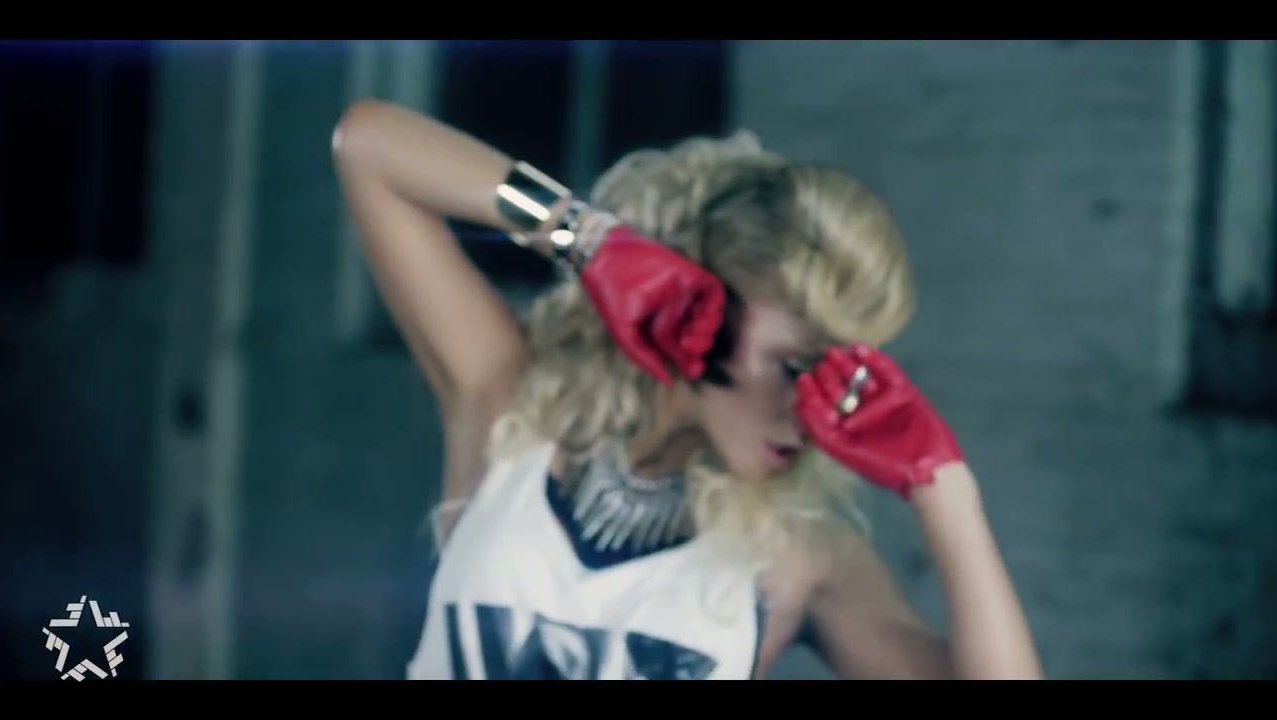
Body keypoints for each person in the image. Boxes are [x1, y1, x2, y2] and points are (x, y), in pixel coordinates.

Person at [331, 98, 1044, 681]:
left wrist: (944, 490)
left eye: (840, 379)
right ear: (701, 301)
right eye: (794, 367)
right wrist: (579, 232)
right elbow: (368, 146)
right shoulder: (512, 410)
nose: (814, 416)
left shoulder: (799, 554)